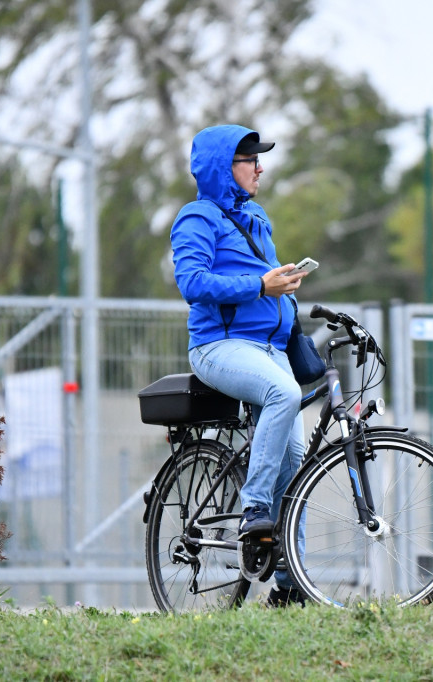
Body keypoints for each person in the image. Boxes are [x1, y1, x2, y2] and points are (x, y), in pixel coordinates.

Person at [170, 124, 309, 606]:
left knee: (298, 465)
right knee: (284, 395)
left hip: (269, 351)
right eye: (250, 159)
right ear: (222, 168)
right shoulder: (195, 218)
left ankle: (290, 591)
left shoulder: (256, 217)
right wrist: (259, 288)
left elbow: (262, 280)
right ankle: (254, 511)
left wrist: (283, 290)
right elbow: (191, 283)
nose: (260, 167)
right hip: (219, 347)